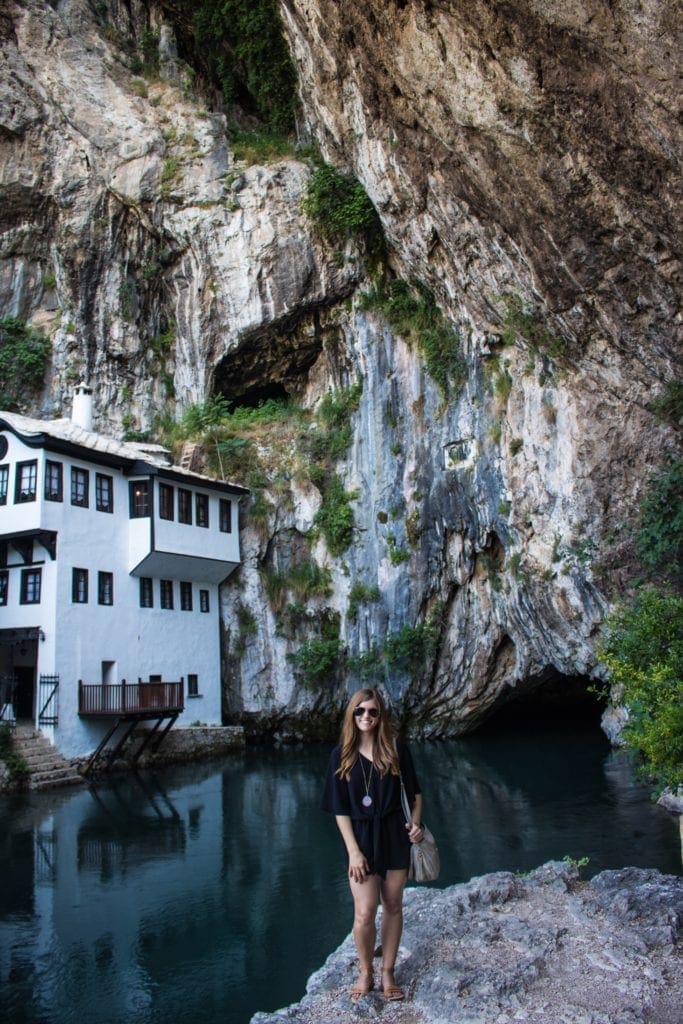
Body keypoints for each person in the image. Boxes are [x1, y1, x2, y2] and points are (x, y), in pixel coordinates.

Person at [321, 687, 424, 1002]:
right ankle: (366, 971)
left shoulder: (395, 748)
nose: (366, 716)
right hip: (362, 839)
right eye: (360, 711)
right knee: (365, 912)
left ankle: (388, 971)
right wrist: (353, 851)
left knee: (393, 905)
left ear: (381, 716)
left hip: (395, 834)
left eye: (373, 711)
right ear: (352, 714)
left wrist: (417, 825)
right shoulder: (341, 755)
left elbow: (416, 796)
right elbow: (339, 810)